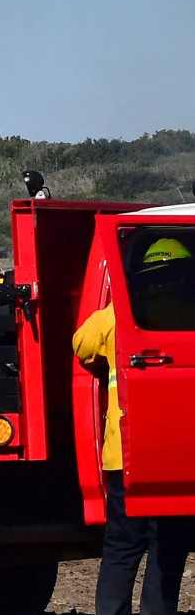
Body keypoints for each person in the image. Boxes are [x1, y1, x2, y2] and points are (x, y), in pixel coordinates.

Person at [76, 235, 195, 615]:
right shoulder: (191, 309)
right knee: (168, 545)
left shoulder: (117, 315)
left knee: (122, 546)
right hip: (178, 457)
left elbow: (82, 346)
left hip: (124, 455)